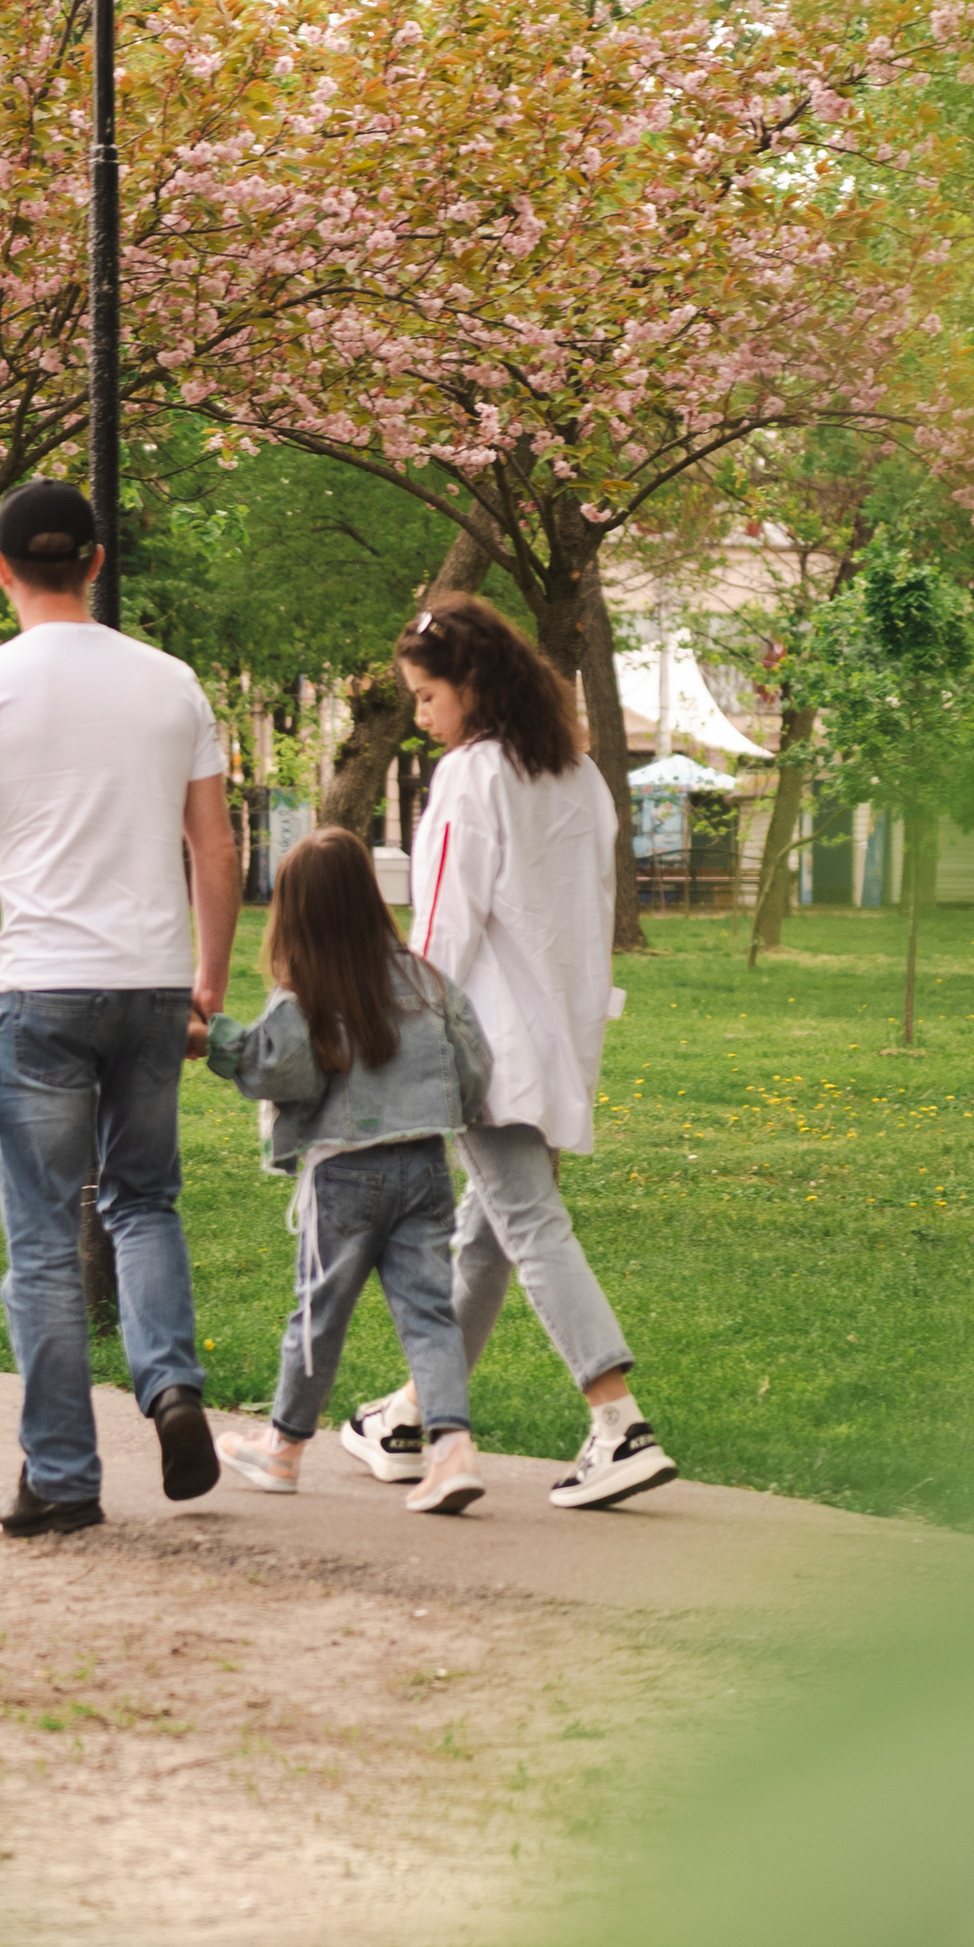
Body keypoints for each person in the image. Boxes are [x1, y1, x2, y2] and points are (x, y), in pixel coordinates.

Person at [0, 479, 241, 1536]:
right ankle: (171, 1384)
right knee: (143, 1201)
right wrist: (206, 986)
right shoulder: (173, 685)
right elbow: (213, 851)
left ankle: (62, 1477)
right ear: (93, 564)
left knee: (41, 1238)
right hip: (148, 983)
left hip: (41, 987)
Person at [346, 593, 675, 1513]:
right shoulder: (578, 776)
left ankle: (619, 1420)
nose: (421, 716)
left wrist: (401, 1027)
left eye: (425, 696)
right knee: (484, 1235)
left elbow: (445, 917)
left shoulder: (470, 776)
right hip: (563, 1035)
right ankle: (415, 1412)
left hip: (483, 1036)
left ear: (472, 685)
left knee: (525, 1223)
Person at [200, 826, 493, 1516]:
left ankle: (282, 1448)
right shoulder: (425, 980)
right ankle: (452, 1451)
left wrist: (218, 1040)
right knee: (430, 1317)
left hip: (344, 1179)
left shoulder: (303, 992)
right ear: (370, 898)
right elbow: (472, 1062)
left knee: (319, 1315)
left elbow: (281, 1073)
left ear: (294, 914)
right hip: (424, 1167)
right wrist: (458, 1111)